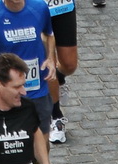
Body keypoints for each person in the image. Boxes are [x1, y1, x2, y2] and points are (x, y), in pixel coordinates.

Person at [0, 0, 58, 131]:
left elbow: (49, 34)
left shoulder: (40, 7)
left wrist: (50, 58)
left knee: (42, 140)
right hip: (8, 92)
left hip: (38, 90)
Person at [43, 0, 77, 141]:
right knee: (48, 63)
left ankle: (59, 77)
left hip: (61, 6)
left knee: (69, 65)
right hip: (35, 7)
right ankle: (56, 116)